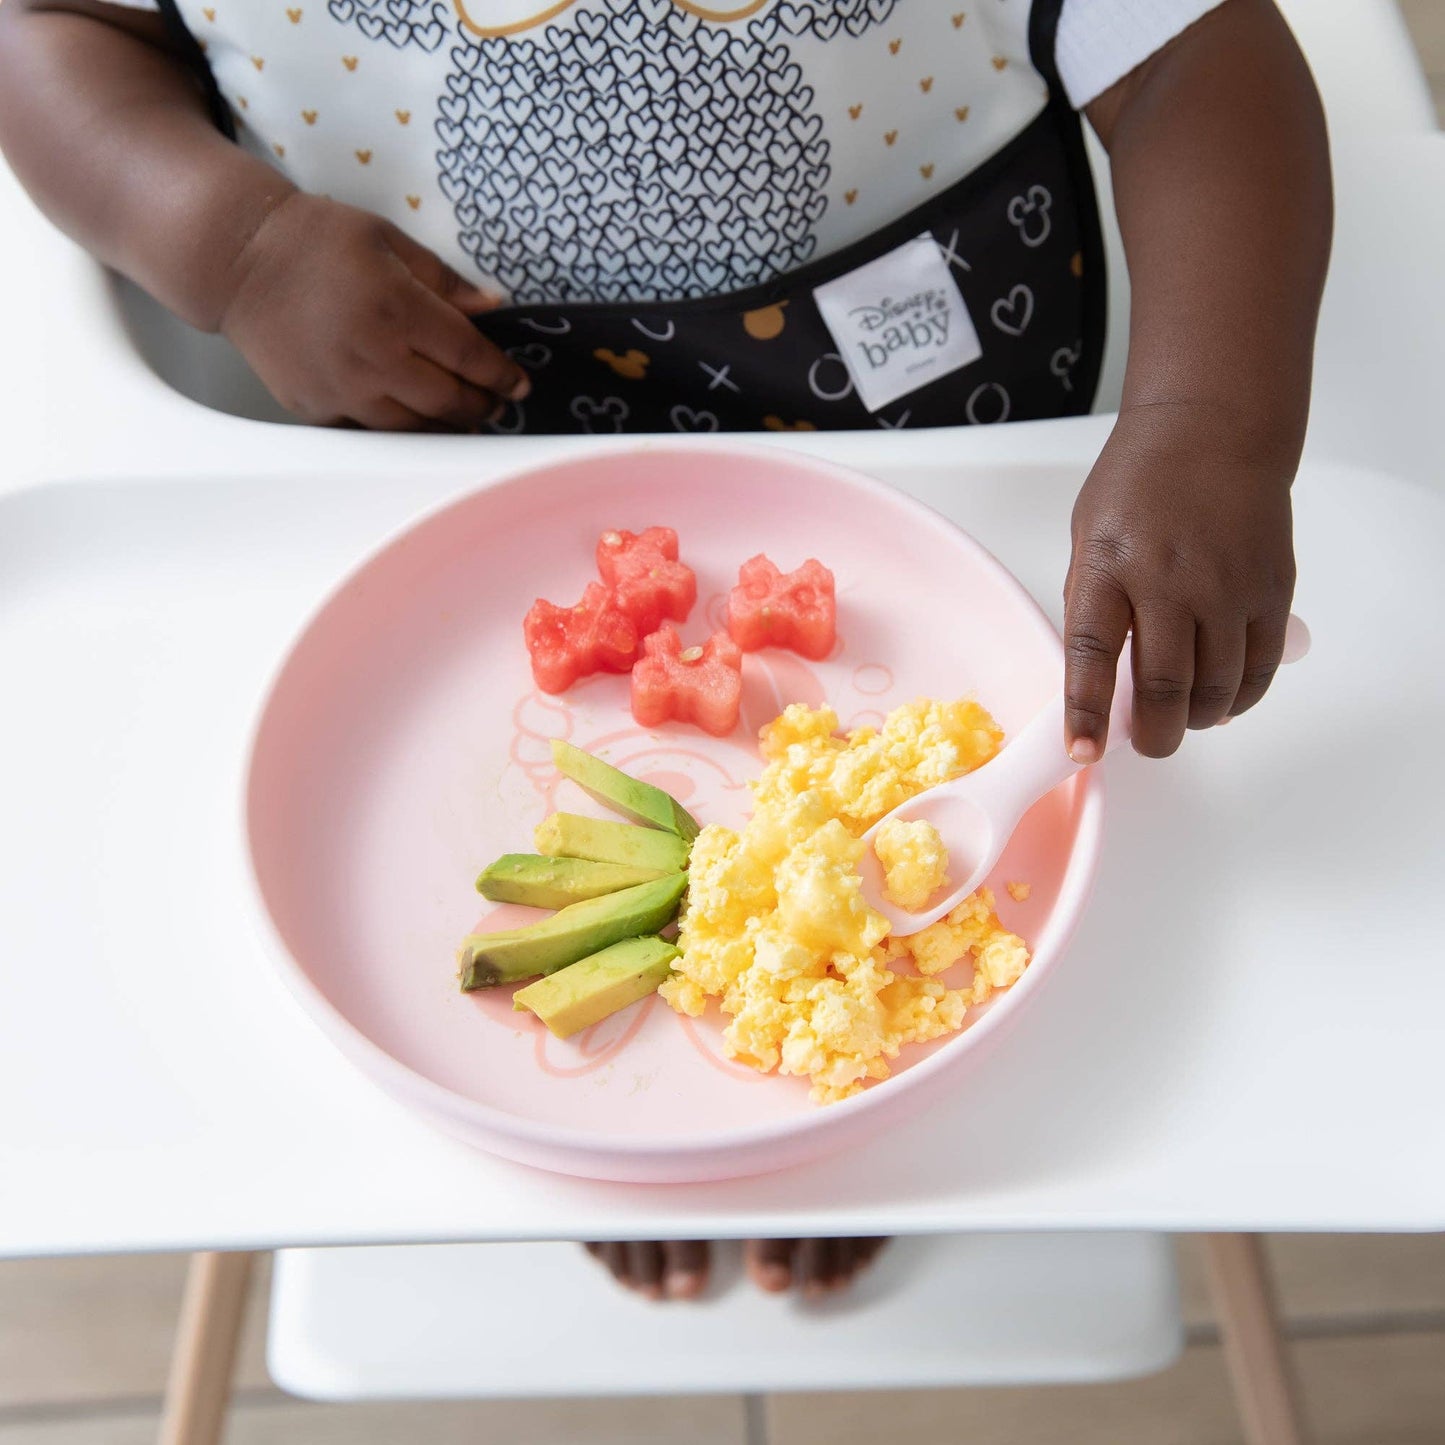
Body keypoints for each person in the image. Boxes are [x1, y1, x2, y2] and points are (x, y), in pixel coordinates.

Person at [0, 0, 1331, 1301]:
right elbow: (53, 31)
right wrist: (235, 247)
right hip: (432, 412)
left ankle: (833, 1139)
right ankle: (630, 1142)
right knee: (482, 1037)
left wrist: (1210, 427)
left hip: (934, 404)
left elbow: (1191, 55)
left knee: (1116, 996)